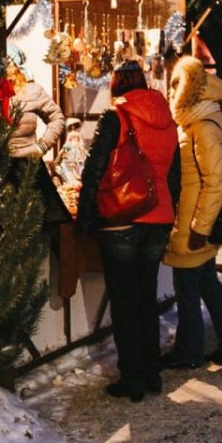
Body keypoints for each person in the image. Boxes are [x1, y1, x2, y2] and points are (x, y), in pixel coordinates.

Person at [76, 60, 180, 401]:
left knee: (124, 301)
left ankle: (132, 377)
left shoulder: (116, 117)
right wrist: (170, 211)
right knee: (146, 298)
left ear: (117, 85)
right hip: (158, 217)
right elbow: (174, 175)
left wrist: (86, 216)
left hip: (123, 216)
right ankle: (151, 372)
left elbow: (94, 169)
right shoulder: (167, 119)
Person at [163, 57, 222, 368]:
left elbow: (215, 183)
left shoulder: (202, 126)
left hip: (194, 224)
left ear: (188, 91)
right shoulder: (201, 120)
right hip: (194, 220)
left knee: (187, 290)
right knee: (206, 283)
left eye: (176, 87)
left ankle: (190, 352)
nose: (172, 93)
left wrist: (200, 228)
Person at [5, 46, 71, 224]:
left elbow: (57, 118)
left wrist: (41, 146)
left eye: (9, 63)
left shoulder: (32, 91)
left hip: (28, 165)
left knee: (39, 224)